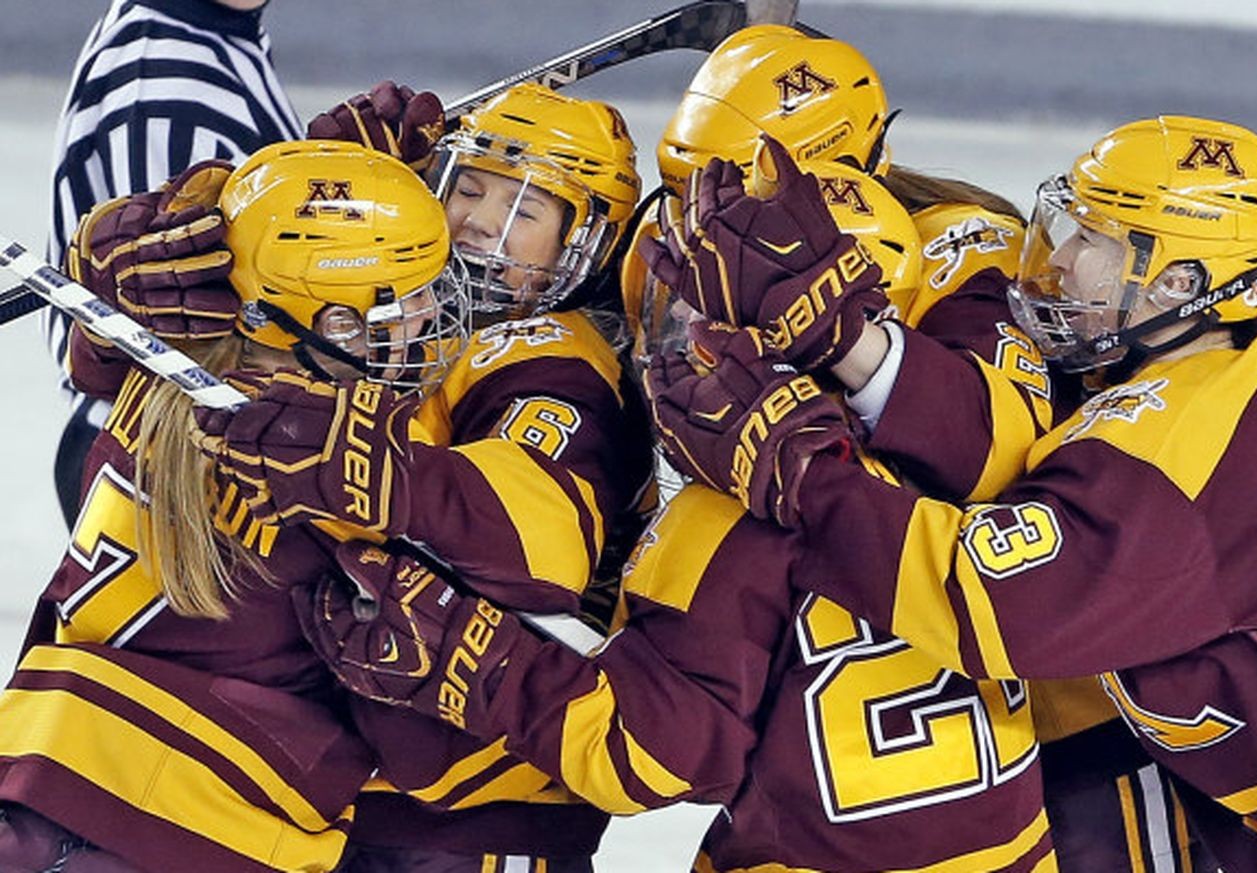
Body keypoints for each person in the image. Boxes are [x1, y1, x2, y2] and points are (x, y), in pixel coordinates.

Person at [289, 151, 1063, 872]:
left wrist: (475, 656)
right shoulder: (992, 464)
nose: (681, 340)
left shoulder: (725, 521)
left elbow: (654, 756)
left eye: (706, 313)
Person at [646, 115, 1257, 871]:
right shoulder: (1244, 362)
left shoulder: (1178, 468)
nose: (1058, 255)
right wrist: (849, 343)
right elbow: (1031, 469)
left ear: (1179, 284)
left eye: (1094, 240)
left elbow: (992, 600)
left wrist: (802, 474)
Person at [192, 83, 655, 872]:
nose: (478, 221)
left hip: (483, 806)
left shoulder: (556, 362)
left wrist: (382, 472)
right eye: (467, 187)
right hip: (354, 785)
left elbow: (539, 533)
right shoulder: (405, 318)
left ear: (584, 247)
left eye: (524, 210)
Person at [0, 139, 468, 872]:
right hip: (196, 832)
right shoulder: (326, 483)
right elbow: (418, 752)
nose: (424, 321)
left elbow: (94, 350)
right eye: (397, 300)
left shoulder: (152, 387)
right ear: (323, 326)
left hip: (41, 789)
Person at [44, 0, 302, 532]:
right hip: (175, 473)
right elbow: (196, 355)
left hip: (146, 452)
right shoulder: (175, 87)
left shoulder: (188, 29)